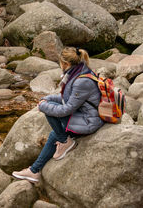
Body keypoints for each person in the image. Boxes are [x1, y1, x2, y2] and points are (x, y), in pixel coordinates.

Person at [12, 47, 103, 183]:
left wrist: (44, 106)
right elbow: (66, 98)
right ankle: (34, 171)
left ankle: (66, 142)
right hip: (82, 114)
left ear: (65, 64)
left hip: (89, 121)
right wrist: (46, 98)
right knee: (54, 134)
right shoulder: (77, 72)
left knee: (51, 112)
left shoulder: (81, 81)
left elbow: (66, 109)